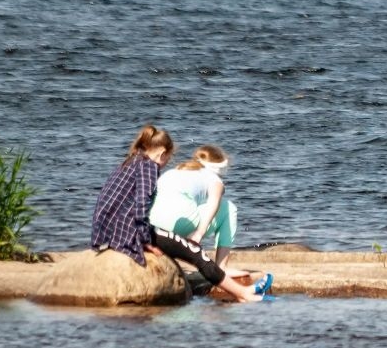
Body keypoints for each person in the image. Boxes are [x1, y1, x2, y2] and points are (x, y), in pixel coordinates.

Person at [90, 126, 261, 303]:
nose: (166, 162)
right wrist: (145, 240)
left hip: (109, 233)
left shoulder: (130, 162)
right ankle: (242, 293)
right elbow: (141, 205)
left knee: (176, 244)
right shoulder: (149, 168)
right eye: (168, 157)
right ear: (163, 153)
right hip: (130, 231)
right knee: (195, 252)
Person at [149, 144, 247, 279]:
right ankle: (221, 267)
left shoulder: (177, 170)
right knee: (229, 208)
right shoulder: (214, 179)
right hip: (177, 225)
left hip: (153, 226)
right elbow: (214, 203)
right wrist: (199, 233)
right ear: (219, 166)